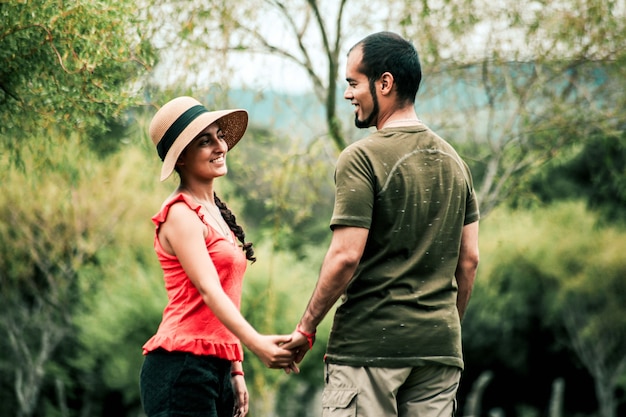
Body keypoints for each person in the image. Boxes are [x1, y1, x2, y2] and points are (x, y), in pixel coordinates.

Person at [284, 32, 480, 416]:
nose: (348, 95)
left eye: (354, 83)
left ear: (385, 83)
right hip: (439, 355)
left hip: (369, 351)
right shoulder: (456, 163)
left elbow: (344, 257)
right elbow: (469, 259)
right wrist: (441, 328)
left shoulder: (361, 158)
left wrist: (305, 331)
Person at [140, 96, 296, 417]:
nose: (219, 146)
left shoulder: (215, 213)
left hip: (217, 366)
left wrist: (236, 368)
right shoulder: (180, 215)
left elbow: (228, 294)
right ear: (181, 158)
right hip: (182, 366)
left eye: (219, 136)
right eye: (204, 141)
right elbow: (210, 291)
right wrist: (257, 344)